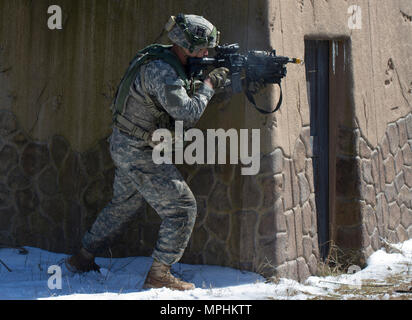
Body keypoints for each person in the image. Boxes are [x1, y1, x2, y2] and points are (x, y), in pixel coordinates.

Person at [65, 14, 229, 291]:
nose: (206, 53)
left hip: (127, 145)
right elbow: (187, 113)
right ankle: (159, 274)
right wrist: (209, 85)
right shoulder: (162, 71)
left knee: (123, 205)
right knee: (182, 208)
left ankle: (82, 257)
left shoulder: (163, 58)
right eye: (202, 48)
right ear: (184, 44)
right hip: (138, 151)